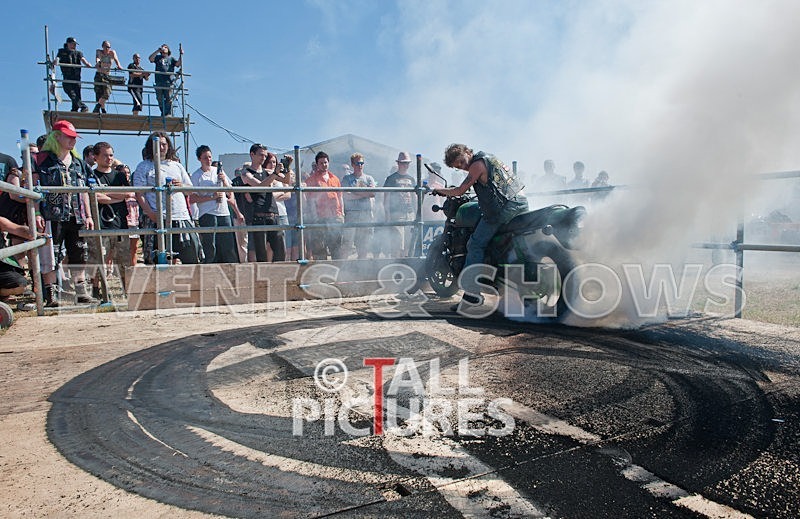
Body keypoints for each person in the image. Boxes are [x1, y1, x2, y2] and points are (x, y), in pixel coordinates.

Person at [434, 144, 528, 308]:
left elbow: (460, 191)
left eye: (461, 162)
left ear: (468, 152)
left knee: (475, 244)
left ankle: (472, 294)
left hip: (506, 208)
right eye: (458, 167)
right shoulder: (490, 157)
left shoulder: (477, 164)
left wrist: (440, 191)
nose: (463, 167)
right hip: (518, 202)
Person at [34, 120, 99, 306]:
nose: (73, 140)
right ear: (57, 137)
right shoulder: (41, 160)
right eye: (68, 137)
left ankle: (81, 292)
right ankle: (51, 294)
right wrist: (37, 212)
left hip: (76, 215)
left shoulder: (79, 163)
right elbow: (34, 189)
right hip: (51, 214)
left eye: (74, 137)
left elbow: (85, 190)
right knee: (51, 253)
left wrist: (88, 215)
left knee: (79, 252)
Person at [132, 132, 202, 264]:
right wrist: (151, 214)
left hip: (181, 217)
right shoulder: (144, 166)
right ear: (150, 146)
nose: (161, 147)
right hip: (158, 218)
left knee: (191, 257)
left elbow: (190, 190)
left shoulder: (177, 165)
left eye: (164, 144)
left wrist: (181, 185)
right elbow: (139, 193)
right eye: (158, 144)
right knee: (159, 260)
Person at [87, 142, 132, 296]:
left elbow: (127, 194)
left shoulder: (119, 175)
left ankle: (126, 290)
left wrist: (106, 194)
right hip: (101, 223)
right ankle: (96, 290)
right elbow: (95, 196)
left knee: (123, 259)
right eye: (105, 155)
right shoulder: (91, 175)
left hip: (120, 223)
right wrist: (114, 196)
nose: (109, 158)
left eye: (111, 155)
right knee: (98, 258)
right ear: (96, 157)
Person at [191, 145, 239, 263]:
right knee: (210, 245)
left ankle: (230, 267)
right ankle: (209, 267)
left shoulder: (219, 172)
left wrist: (223, 180)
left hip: (223, 212)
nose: (208, 160)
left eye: (210, 157)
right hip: (207, 213)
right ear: (199, 159)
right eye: (205, 158)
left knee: (228, 244)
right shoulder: (196, 175)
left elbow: (229, 191)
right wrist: (211, 197)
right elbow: (192, 198)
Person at [239, 145, 285, 262]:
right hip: (258, 215)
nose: (263, 158)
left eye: (265, 155)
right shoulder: (246, 172)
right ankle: (262, 279)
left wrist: (287, 167)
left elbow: (287, 180)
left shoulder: (268, 171)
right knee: (261, 254)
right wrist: (275, 174)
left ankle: (281, 277)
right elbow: (259, 186)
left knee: (280, 250)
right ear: (252, 154)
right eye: (260, 154)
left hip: (273, 213)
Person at [306, 151, 344, 260]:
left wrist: (342, 214)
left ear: (329, 163)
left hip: (335, 217)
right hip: (320, 218)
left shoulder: (335, 179)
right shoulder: (312, 180)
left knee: (336, 246)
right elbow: (311, 200)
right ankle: (321, 271)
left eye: (326, 162)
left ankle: (337, 272)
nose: (324, 165)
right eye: (321, 163)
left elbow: (340, 197)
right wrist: (315, 218)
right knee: (319, 248)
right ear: (317, 164)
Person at [341, 152, 376, 259]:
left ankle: (361, 267)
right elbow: (346, 196)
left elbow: (372, 193)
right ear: (352, 164)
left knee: (364, 244)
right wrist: (364, 194)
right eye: (357, 163)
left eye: (361, 163)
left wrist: (355, 193)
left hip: (366, 214)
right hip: (351, 214)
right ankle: (344, 268)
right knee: (347, 243)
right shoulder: (347, 179)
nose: (360, 165)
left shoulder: (369, 178)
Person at [382, 151, 416, 257]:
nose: (405, 165)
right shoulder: (391, 179)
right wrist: (387, 215)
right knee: (397, 243)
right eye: (403, 163)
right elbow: (386, 198)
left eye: (407, 163)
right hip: (397, 214)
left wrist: (416, 213)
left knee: (408, 243)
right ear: (398, 163)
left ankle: (406, 264)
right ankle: (396, 264)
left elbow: (415, 197)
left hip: (409, 213)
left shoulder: (411, 179)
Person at [52, 37, 92, 112]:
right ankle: (83, 106)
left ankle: (75, 109)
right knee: (70, 92)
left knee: (77, 95)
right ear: (68, 44)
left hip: (76, 77)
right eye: (73, 44)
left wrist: (87, 64)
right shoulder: (62, 51)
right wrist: (55, 61)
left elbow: (83, 59)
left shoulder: (78, 53)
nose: (74, 46)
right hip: (67, 77)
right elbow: (58, 58)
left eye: (75, 44)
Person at [149, 44, 182, 117]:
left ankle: (167, 114)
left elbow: (178, 64)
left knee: (168, 98)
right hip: (159, 81)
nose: (164, 48)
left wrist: (181, 54)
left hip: (168, 82)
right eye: (163, 47)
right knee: (159, 98)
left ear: (168, 50)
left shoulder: (171, 59)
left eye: (165, 47)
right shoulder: (158, 57)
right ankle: (163, 112)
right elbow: (151, 59)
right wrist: (158, 50)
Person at [93, 41, 123, 113]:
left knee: (107, 92)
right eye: (106, 47)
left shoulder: (112, 53)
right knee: (99, 93)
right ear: (102, 46)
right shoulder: (99, 52)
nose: (107, 48)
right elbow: (98, 58)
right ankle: (102, 109)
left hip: (107, 75)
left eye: (109, 47)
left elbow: (116, 60)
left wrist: (118, 65)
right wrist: (98, 62)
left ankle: (98, 107)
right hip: (99, 74)